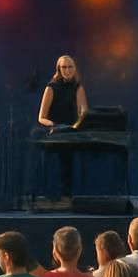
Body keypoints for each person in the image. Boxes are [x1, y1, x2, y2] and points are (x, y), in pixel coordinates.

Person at [37, 55, 87, 200]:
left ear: (74, 68)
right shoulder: (51, 87)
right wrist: (54, 126)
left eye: (70, 67)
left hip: (71, 131)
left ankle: (67, 195)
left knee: (68, 160)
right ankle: (51, 195)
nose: (67, 70)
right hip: (55, 131)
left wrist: (80, 123)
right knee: (57, 160)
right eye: (64, 67)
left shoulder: (78, 86)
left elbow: (83, 112)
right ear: (59, 69)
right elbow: (41, 117)